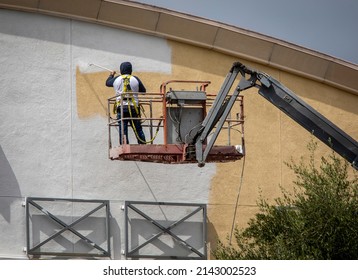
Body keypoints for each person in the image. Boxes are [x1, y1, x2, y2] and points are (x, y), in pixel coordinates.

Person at [106, 62, 146, 144]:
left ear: (121, 70)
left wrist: (111, 75)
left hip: (121, 108)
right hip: (133, 108)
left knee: (123, 129)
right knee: (137, 128)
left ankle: (124, 145)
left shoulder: (116, 79)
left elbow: (107, 83)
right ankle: (142, 143)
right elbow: (143, 91)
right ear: (131, 70)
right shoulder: (135, 79)